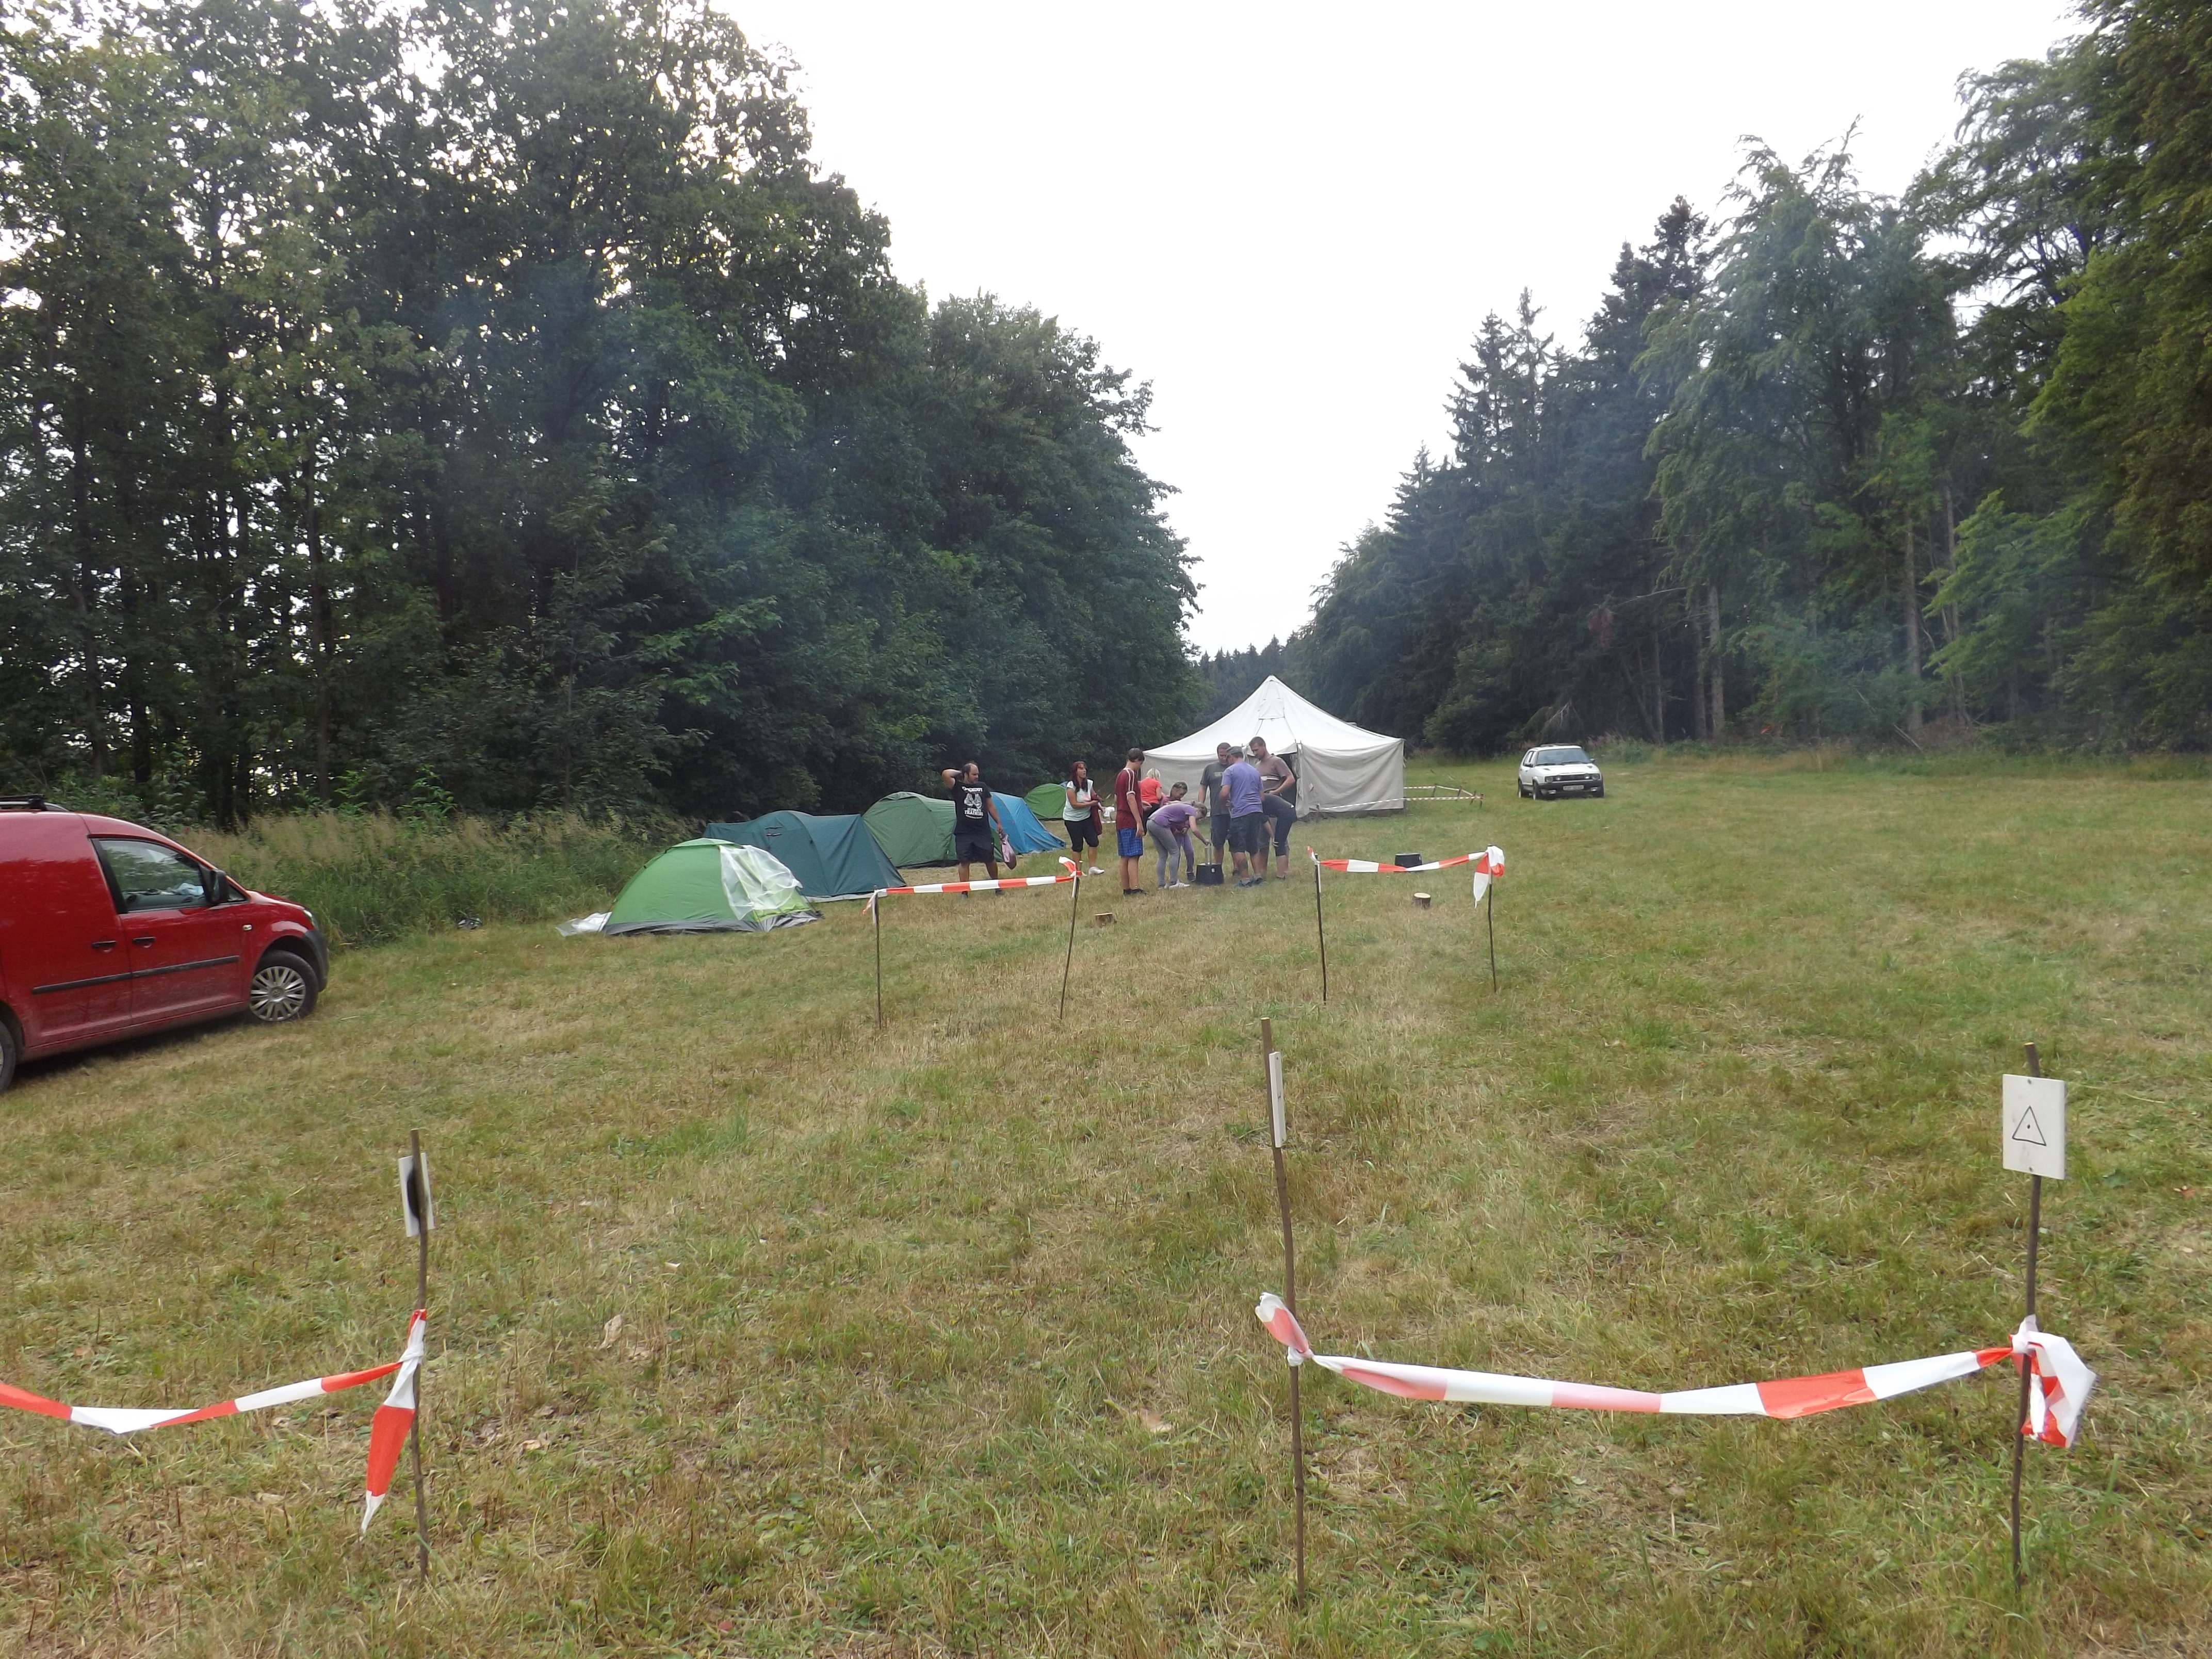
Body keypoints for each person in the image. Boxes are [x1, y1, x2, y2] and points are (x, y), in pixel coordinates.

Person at [938, 760, 1006, 886]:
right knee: (964, 862)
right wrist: (961, 772)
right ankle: (964, 890)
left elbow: (991, 806)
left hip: (982, 831)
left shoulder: (983, 787)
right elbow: (946, 774)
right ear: (966, 774)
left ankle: (996, 885)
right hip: (964, 832)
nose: (977, 777)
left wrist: (999, 823)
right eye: (974, 774)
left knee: (989, 859)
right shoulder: (958, 787)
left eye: (978, 774)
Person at [1248, 736, 1298, 880]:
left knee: (1279, 839)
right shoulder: (1257, 765)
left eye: (1257, 750)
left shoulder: (1276, 761)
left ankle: (1283, 871)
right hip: (1262, 807)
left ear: (1264, 746)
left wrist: (1276, 792)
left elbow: (1290, 779)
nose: (1255, 753)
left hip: (1276, 806)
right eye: (1253, 751)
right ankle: (1262, 871)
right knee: (1261, 840)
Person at [1223, 745, 1266, 886]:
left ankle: (1245, 879)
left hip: (1241, 812)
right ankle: (1258, 876)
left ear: (1231, 757)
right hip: (1256, 811)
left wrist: (1226, 802)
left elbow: (1224, 793)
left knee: (1237, 846)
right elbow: (1262, 797)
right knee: (1253, 845)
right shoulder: (1255, 771)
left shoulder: (1230, 771)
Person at [1146, 782, 1199, 889]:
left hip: (1151, 821)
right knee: (1175, 852)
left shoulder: (1181, 803)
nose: (1181, 797)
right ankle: (1174, 882)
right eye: (1181, 794)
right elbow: (1170, 817)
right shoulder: (1167, 801)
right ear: (1174, 790)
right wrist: (1175, 830)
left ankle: (1161, 884)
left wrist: (1186, 826)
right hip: (1164, 826)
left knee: (1163, 855)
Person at [1114, 746, 1148, 897]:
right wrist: (1139, 821)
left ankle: (1126, 888)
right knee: (1134, 855)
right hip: (1129, 819)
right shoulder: (1130, 774)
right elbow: (1130, 797)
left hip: (1121, 818)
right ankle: (1135, 887)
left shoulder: (1120, 775)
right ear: (1138, 761)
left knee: (1125, 856)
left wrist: (1141, 803)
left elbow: (1117, 799)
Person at [1198, 741, 1237, 875]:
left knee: (1236, 842)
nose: (1224, 758)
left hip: (1234, 811)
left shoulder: (1235, 768)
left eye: (1226, 756)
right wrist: (1201, 804)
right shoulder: (1210, 768)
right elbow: (1203, 787)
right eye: (1221, 755)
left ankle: (1237, 869)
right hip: (1217, 812)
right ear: (1218, 754)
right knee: (1218, 843)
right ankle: (1218, 870)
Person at [1061, 760, 1104, 876]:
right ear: (1075, 772)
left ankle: (1093, 867)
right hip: (1072, 819)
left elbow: (1093, 797)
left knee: (1094, 841)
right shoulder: (1071, 787)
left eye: (1085, 768)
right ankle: (1077, 871)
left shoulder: (1089, 784)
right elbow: (1074, 805)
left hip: (1087, 817)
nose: (1084, 771)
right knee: (1078, 845)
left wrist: (1100, 805)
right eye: (1081, 769)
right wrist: (1091, 804)